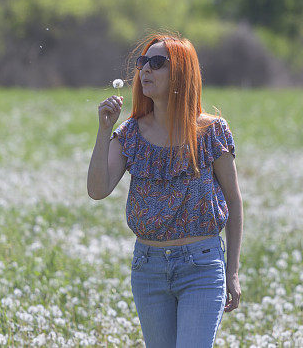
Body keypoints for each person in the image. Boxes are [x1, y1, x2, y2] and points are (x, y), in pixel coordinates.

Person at [87, 31, 244, 348]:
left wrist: (233, 272)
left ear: (182, 72)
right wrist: (104, 132)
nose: (145, 70)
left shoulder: (211, 131)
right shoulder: (130, 132)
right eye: (143, 62)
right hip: (149, 268)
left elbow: (235, 205)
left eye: (157, 63)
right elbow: (97, 189)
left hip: (201, 266)